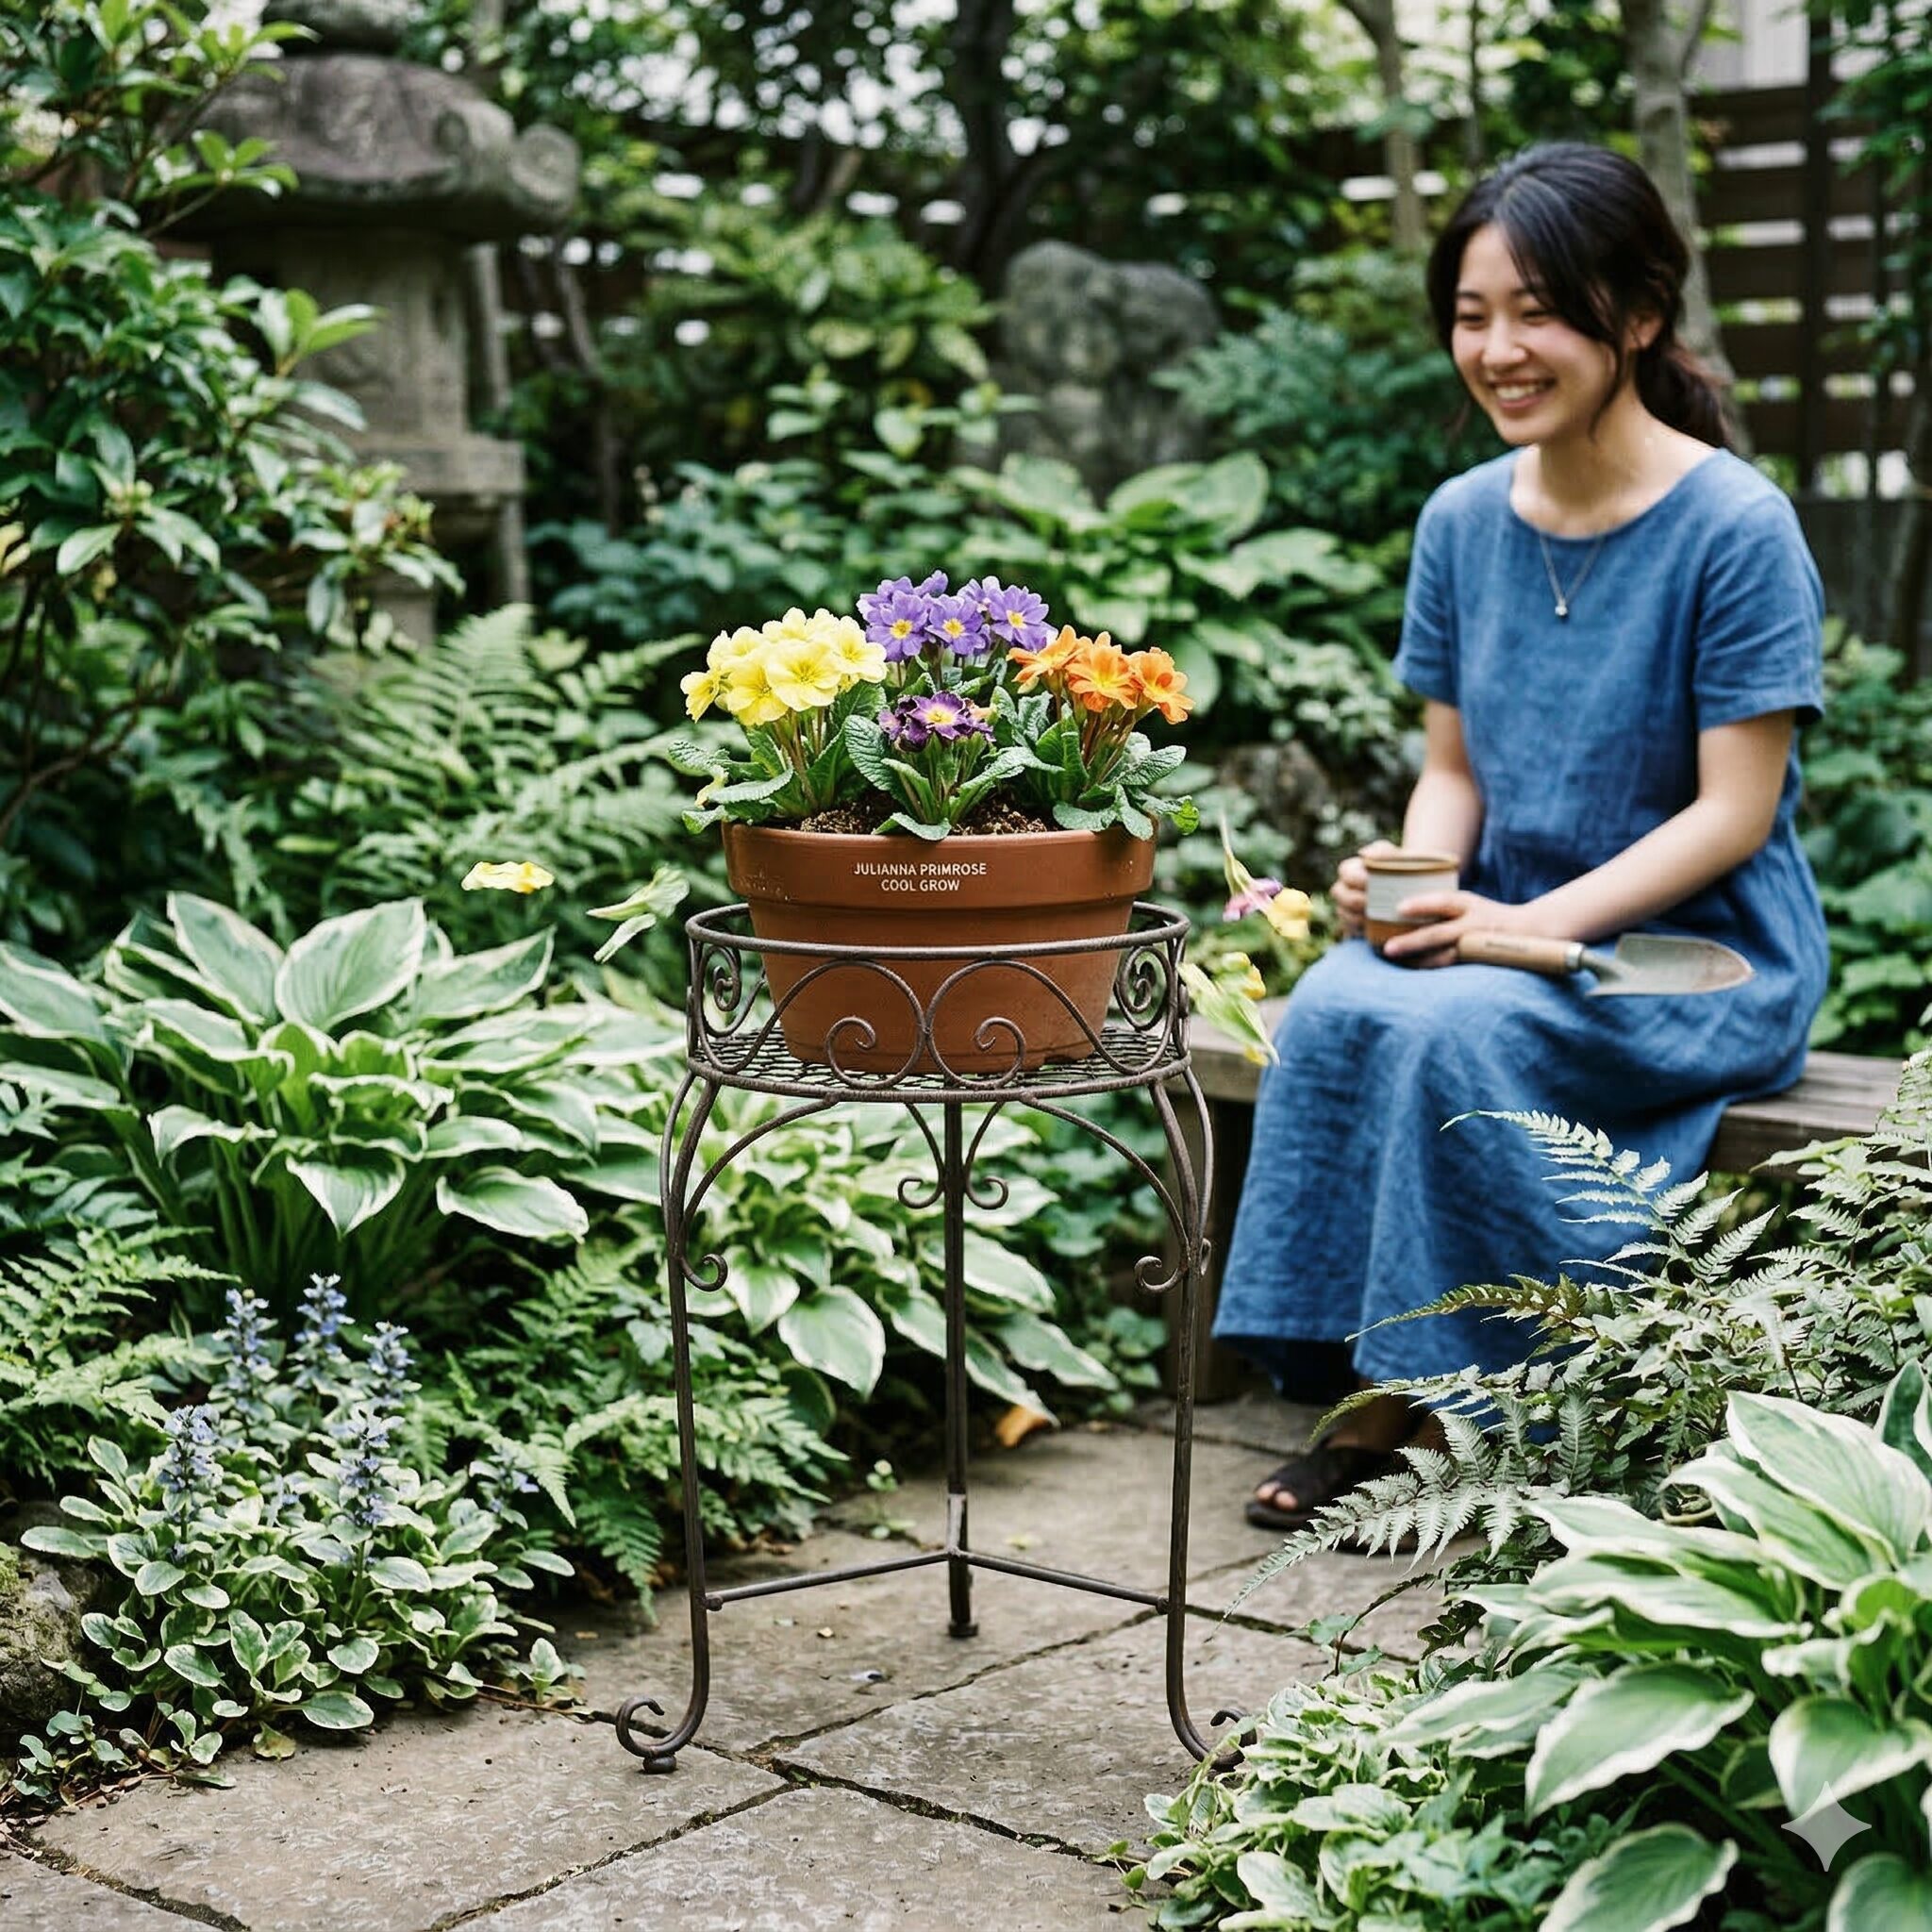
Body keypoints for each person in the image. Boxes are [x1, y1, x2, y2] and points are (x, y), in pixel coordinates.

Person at [1217, 142, 1828, 1531]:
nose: (1498, 350)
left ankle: (1454, 1413)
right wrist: (1413, 883)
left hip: (1694, 958)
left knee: (1453, 1032)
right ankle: (1359, 1375)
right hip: (1507, 930)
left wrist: (1521, 930)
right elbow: (1453, 772)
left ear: (1641, 314)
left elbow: (1732, 813)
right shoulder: (1460, 520)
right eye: (1471, 314)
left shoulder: (1738, 528)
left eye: (1538, 312)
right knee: (1338, 1004)